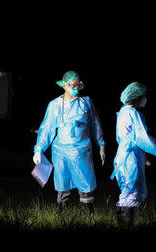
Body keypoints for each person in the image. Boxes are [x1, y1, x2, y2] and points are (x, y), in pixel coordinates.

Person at [33, 71, 106, 213]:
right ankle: (62, 213)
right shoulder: (55, 105)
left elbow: (95, 125)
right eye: (73, 85)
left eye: (79, 85)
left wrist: (101, 144)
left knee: (85, 182)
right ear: (64, 86)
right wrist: (39, 149)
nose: (77, 88)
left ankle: (89, 214)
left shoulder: (86, 103)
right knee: (62, 182)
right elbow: (46, 128)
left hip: (82, 151)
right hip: (61, 151)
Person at [111, 82, 156, 226]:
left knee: (127, 190)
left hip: (123, 156)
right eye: (143, 96)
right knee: (131, 192)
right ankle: (126, 225)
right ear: (136, 98)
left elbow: (124, 138)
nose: (145, 99)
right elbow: (144, 139)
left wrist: (143, 157)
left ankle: (123, 225)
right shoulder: (134, 114)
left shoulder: (122, 112)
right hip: (131, 157)